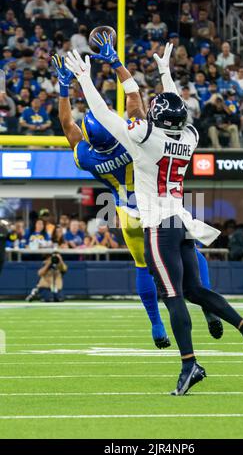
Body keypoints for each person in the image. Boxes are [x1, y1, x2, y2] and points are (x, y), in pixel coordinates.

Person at [66, 42, 243, 395]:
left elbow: (105, 113)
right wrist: (165, 74)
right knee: (195, 289)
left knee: (173, 295)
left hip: (159, 226)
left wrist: (85, 77)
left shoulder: (145, 138)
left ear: (156, 117)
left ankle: (190, 364)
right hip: (181, 219)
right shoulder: (189, 137)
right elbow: (177, 108)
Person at [53, 40, 223, 348]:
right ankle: (209, 309)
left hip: (127, 213)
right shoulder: (136, 137)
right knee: (192, 255)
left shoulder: (90, 158)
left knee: (144, 266)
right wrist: (117, 62)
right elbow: (134, 98)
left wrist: (65, 88)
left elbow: (67, 125)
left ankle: (157, 326)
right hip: (160, 205)